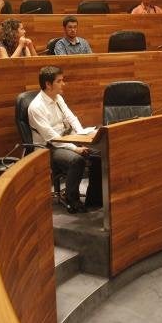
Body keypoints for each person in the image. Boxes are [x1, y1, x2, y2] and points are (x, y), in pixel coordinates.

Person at [27, 66, 101, 213]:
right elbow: (52, 138)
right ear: (48, 84)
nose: (63, 84)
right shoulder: (36, 107)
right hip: (48, 148)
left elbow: (71, 118)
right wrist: (76, 148)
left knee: (99, 153)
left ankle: (95, 198)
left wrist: (82, 136)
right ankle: (72, 199)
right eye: (59, 81)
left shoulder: (58, 98)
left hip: (66, 139)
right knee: (76, 160)